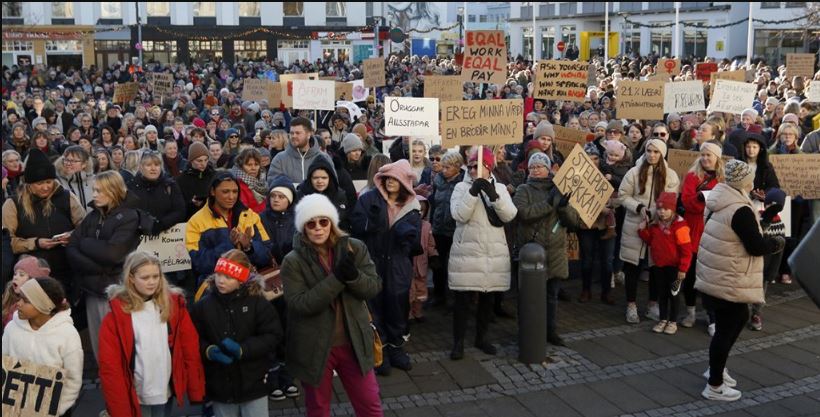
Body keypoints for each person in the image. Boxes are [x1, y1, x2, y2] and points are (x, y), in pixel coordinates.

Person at [281, 194, 384, 417]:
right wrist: (337, 279)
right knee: (318, 409)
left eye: (323, 221)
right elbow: (300, 304)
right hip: (315, 347)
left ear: (331, 222)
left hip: (353, 342)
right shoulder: (292, 261)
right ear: (303, 227)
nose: (318, 228)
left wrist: (354, 277)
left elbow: (374, 287)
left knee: (370, 405)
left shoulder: (354, 248)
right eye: (311, 223)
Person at [695, 160, 786, 402]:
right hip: (728, 276)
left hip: (716, 273)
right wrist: (776, 244)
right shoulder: (740, 208)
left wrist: (764, 218)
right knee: (729, 327)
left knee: (734, 322)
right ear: (744, 181)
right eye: (751, 177)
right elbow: (755, 245)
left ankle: (717, 369)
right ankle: (714, 385)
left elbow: (738, 232)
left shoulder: (720, 199)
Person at [99, 251, 205, 417]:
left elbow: (189, 348)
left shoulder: (174, 305)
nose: (152, 282)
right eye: (145, 277)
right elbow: (110, 367)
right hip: (137, 392)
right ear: (131, 278)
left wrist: (195, 388)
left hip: (166, 387)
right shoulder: (116, 315)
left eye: (156, 276)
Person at [190, 249, 281, 416]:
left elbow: (272, 336)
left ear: (241, 280)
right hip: (220, 384)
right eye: (218, 275)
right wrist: (208, 351)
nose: (221, 281)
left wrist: (243, 349)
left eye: (228, 277)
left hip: (254, 382)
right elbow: (192, 339)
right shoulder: (203, 306)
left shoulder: (258, 304)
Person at [350, 159, 421, 375]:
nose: (390, 182)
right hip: (372, 261)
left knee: (397, 305)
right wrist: (372, 224)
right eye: (388, 178)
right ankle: (379, 350)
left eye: (395, 178)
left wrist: (407, 239)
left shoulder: (412, 206)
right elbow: (356, 225)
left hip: (398, 264)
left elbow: (415, 242)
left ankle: (396, 348)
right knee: (375, 306)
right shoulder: (369, 198)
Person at [66, 171, 146, 361]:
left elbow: (113, 253)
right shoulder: (93, 216)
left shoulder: (130, 217)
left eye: (99, 190)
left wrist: (84, 243)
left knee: (121, 349)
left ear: (113, 191)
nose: (94, 194)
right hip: (92, 291)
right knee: (100, 348)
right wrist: (98, 266)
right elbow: (71, 247)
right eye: (94, 190)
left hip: (117, 291)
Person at [449, 148, 518, 359]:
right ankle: (458, 342)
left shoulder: (500, 189)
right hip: (467, 252)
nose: (472, 170)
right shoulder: (461, 187)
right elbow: (459, 214)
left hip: (491, 251)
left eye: (477, 166)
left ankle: (482, 337)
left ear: (489, 168)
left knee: (487, 299)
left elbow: (509, 215)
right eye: (470, 166)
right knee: (461, 301)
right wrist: (472, 193)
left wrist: (493, 195)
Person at [2, 149, 85, 302]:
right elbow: (8, 242)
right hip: (31, 276)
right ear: (29, 184)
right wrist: (35, 243)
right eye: (40, 183)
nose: (46, 187)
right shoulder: (13, 204)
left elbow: (84, 226)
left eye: (49, 182)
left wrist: (72, 236)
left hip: (66, 269)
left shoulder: (66, 197)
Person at [513, 152, 578, 346]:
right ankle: (527, 331)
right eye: (532, 167)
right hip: (532, 252)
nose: (535, 170)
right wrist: (548, 204)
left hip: (556, 252)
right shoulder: (523, 189)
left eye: (539, 166)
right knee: (529, 297)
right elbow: (524, 213)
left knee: (551, 296)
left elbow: (573, 223)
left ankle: (551, 331)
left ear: (548, 169)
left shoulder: (560, 189)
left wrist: (564, 207)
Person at [618, 139, 680, 324]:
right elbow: (623, 195)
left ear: (662, 154)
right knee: (632, 267)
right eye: (649, 151)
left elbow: (671, 198)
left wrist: (655, 213)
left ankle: (653, 304)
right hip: (634, 225)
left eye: (656, 152)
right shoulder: (634, 172)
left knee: (656, 268)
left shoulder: (670, 175)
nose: (652, 155)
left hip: (659, 227)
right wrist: (638, 208)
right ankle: (631, 305)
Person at [1, 277, 83, 417]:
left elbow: (73, 379)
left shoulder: (67, 334)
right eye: (19, 298)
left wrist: (57, 409)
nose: (18, 304)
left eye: (26, 301)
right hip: (16, 411)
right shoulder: (12, 329)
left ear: (44, 306)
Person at [186, 171, 272, 286]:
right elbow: (200, 265)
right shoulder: (195, 222)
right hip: (215, 288)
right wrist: (228, 245)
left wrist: (249, 247)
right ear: (212, 191)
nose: (231, 197)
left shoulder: (250, 216)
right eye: (225, 192)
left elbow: (266, 255)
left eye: (235, 191)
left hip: (249, 286)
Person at [680, 142, 724, 332]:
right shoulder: (692, 176)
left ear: (717, 158)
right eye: (703, 155)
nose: (705, 158)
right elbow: (687, 202)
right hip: (692, 230)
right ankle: (690, 310)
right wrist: (701, 201)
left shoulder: (723, 178)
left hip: (713, 231)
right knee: (690, 275)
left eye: (709, 155)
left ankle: (711, 316)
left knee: (710, 277)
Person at [638, 192, 693, 335]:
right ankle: (663, 319)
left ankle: (673, 321)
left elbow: (686, 251)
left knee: (674, 294)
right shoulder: (655, 225)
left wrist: (683, 269)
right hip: (659, 265)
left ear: (673, 209)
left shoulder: (680, 227)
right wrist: (642, 230)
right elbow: (651, 241)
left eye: (666, 209)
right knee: (662, 294)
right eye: (660, 209)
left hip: (675, 268)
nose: (662, 212)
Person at [428, 152, 465, 307]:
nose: (443, 170)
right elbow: (434, 204)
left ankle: (457, 298)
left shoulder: (463, 183)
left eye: (447, 167)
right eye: (442, 167)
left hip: (455, 229)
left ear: (457, 167)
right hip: (438, 228)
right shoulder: (438, 181)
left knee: (456, 265)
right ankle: (439, 295)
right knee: (438, 263)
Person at [749, 188, 787, 331]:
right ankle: (748, 313)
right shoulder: (758, 217)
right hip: (755, 263)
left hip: (767, 266)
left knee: (761, 292)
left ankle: (756, 314)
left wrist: (772, 272)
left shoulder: (779, 225)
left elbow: (778, 251)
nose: (770, 207)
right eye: (769, 204)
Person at [128, 151, 186, 236]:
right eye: (148, 165)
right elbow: (127, 211)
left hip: (166, 237)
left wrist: (161, 224)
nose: (153, 168)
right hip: (139, 238)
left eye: (156, 165)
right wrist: (145, 223)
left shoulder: (170, 185)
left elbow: (180, 211)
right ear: (141, 167)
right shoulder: (131, 187)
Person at [268, 117, 332, 184]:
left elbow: (331, 184)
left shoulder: (324, 158)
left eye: (298, 133)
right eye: (292, 133)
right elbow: (273, 184)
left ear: (309, 134)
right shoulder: (280, 159)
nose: (294, 136)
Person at [297, 157, 351, 231]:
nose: (320, 181)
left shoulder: (339, 194)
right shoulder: (301, 194)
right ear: (310, 178)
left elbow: (344, 221)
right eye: (315, 178)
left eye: (324, 178)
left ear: (330, 178)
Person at [409, 195, 437, 323]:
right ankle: (408, 314)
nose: (420, 213)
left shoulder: (427, 226)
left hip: (422, 265)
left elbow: (431, 244)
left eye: (422, 210)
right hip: (408, 265)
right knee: (409, 290)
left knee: (421, 291)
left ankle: (418, 312)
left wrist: (433, 255)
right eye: (417, 210)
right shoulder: (405, 225)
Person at [2, 256, 51, 327]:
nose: (15, 277)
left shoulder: (38, 307)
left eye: (21, 275)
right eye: (15, 274)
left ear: (33, 281)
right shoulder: (8, 298)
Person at [177, 142, 216, 219]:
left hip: (213, 217)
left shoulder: (214, 175)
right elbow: (179, 206)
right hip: (192, 219)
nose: (203, 164)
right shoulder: (181, 179)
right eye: (199, 161)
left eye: (206, 160)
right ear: (191, 161)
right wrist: (191, 204)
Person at [55, 145, 95, 212]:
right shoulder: (57, 182)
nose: (68, 163)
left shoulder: (95, 180)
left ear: (84, 164)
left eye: (73, 161)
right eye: (66, 160)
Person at [231, 148, 268, 213]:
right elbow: (244, 212)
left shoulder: (263, 182)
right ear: (241, 166)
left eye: (256, 164)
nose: (253, 168)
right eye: (249, 165)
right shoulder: (237, 186)